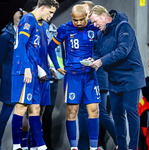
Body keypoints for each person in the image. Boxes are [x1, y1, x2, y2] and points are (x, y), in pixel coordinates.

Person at [88, 5, 146, 150]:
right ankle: (122, 147)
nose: (95, 26)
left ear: (103, 16)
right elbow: (98, 52)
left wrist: (101, 61)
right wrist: (93, 60)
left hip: (130, 76)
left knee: (131, 111)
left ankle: (133, 147)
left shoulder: (124, 27)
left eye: (95, 22)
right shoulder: (101, 34)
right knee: (117, 114)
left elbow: (123, 50)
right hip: (114, 78)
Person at [48, 4, 101, 150]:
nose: (78, 23)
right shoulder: (64, 28)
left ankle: (94, 146)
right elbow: (51, 46)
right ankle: (73, 147)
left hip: (90, 76)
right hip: (73, 76)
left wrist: (98, 60)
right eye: (75, 20)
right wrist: (57, 66)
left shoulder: (94, 27)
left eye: (81, 20)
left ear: (87, 16)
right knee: (72, 112)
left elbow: (102, 46)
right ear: (72, 17)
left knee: (94, 110)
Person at [11, 0, 59, 150]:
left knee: (36, 109)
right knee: (21, 106)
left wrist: (49, 67)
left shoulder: (44, 26)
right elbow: (20, 46)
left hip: (37, 73)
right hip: (25, 71)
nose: (51, 16)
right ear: (42, 7)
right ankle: (17, 145)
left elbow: (41, 51)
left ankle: (40, 146)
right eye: (50, 12)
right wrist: (26, 68)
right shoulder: (27, 19)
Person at [77, 1, 117, 150]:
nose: (83, 15)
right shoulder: (80, 30)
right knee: (84, 113)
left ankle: (120, 142)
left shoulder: (101, 30)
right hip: (86, 78)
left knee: (100, 113)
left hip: (98, 78)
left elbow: (105, 54)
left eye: (85, 12)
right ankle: (87, 146)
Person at [0, 9, 27, 150]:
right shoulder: (6, 37)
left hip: (24, 82)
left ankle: (21, 146)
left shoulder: (26, 36)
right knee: (4, 117)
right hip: (10, 83)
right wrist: (5, 74)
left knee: (24, 117)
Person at [41, 21, 65, 150]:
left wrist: (59, 70)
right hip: (39, 79)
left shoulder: (56, 31)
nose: (50, 15)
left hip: (53, 78)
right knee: (35, 112)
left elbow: (61, 53)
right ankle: (34, 145)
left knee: (48, 113)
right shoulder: (35, 29)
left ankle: (47, 145)